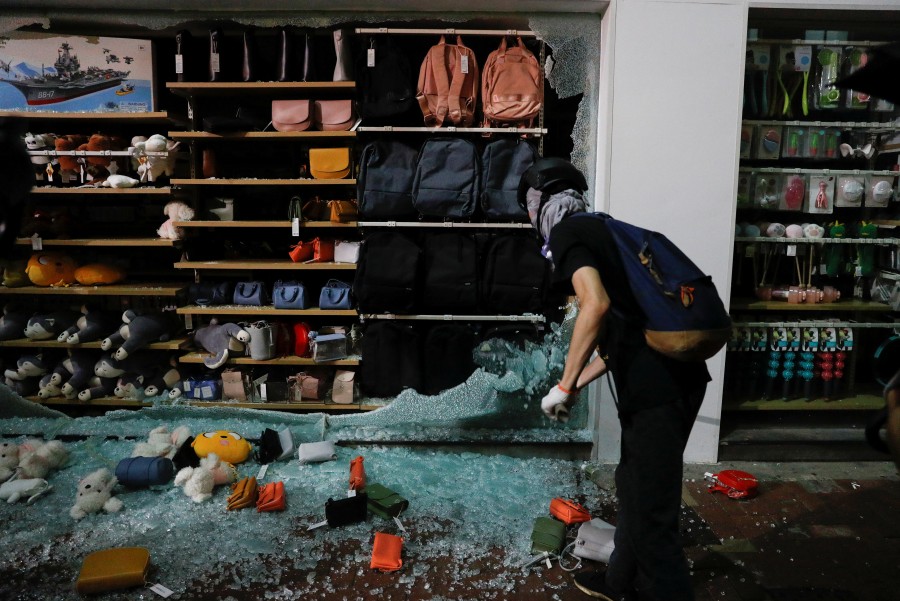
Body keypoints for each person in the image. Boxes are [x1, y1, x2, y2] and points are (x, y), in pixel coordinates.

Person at [524, 159, 711, 601]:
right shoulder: (607, 230)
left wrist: (565, 385)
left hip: (658, 391)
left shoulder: (568, 233)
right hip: (673, 382)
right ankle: (618, 582)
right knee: (635, 488)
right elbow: (619, 342)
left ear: (539, 203)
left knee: (652, 516)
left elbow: (596, 306)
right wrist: (574, 383)